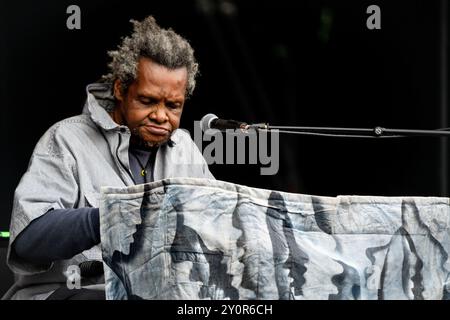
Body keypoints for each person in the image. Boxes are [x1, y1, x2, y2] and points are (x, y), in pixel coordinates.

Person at [3, 15, 214, 300]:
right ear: (120, 89)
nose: (161, 116)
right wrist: (111, 217)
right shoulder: (66, 139)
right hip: (71, 293)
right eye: (148, 101)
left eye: (173, 106)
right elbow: (27, 241)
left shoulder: (186, 149)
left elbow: (218, 228)